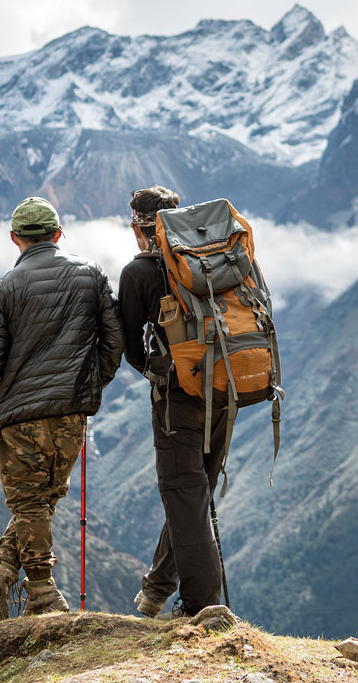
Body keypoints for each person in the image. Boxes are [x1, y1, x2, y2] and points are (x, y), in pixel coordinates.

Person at [0, 196, 123, 624]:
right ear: (58, 235)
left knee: (30, 502)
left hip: (17, 417)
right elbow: (113, 343)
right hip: (70, 414)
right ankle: (3, 572)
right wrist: (88, 387)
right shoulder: (91, 277)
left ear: (15, 238)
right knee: (42, 499)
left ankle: (40, 592)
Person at [117, 186, 228, 618]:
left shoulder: (138, 273)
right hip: (227, 390)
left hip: (178, 399)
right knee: (192, 493)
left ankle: (202, 608)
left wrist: (164, 374)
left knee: (183, 491)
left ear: (136, 226)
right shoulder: (214, 257)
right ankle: (158, 588)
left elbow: (131, 348)